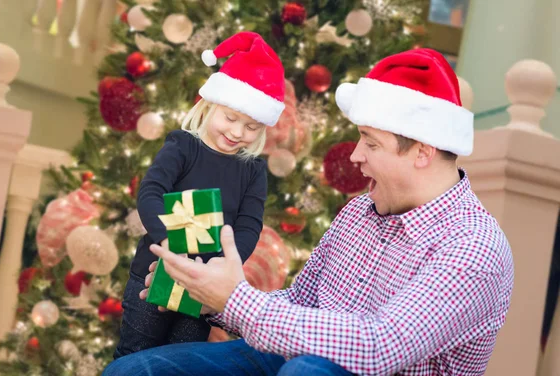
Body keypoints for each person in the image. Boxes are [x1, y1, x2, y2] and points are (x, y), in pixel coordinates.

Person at [104, 48, 514, 375]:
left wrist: (234, 300)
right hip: (289, 358)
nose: (355, 156)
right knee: (137, 370)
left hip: (341, 368)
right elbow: (301, 303)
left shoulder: (474, 248)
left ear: (422, 152)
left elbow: (380, 346)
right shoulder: (358, 214)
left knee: (308, 370)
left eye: (370, 144)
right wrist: (208, 294)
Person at [113, 31, 286, 358]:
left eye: (251, 127)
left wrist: (225, 263)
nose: (237, 132)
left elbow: (249, 226)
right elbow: (151, 192)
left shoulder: (253, 171)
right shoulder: (183, 146)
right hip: (155, 275)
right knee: (135, 356)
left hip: (206, 288)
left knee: (184, 361)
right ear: (209, 106)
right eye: (230, 118)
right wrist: (170, 243)